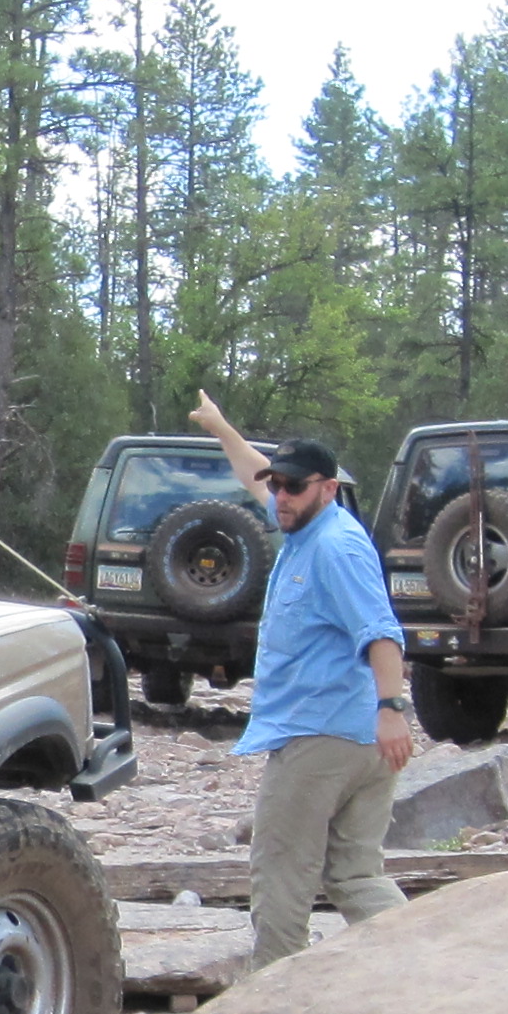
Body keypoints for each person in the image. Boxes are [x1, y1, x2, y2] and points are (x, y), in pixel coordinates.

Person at [188, 393, 416, 968]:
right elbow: (252, 474)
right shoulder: (306, 524)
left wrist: (393, 709)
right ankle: (425, 970)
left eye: (293, 486)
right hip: (357, 735)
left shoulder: (336, 548)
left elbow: (381, 633)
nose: (281, 496)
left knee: (281, 875)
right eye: (278, 484)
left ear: (328, 488)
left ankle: (276, 995)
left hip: (322, 738)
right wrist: (221, 427)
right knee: (356, 875)